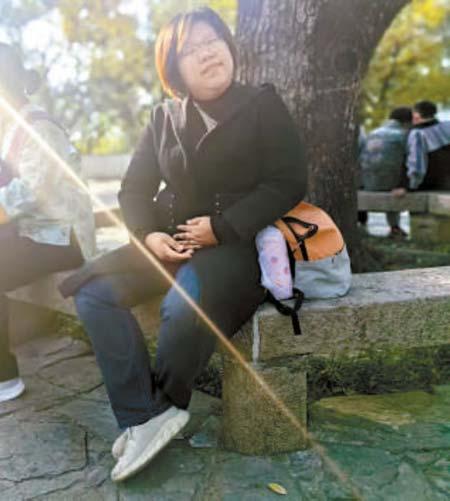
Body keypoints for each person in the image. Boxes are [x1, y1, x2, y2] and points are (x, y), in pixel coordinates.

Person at [60, 7, 307, 483]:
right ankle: (143, 416)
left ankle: (163, 406)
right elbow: (133, 190)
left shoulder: (262, 104)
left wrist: (222, 227)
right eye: (192, 49)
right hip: (169, 242)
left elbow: (288, 181)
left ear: (228, 46)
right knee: (92, 291)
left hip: (236, 247)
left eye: (212, 40)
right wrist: (149, 236)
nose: (207, 53)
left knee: (183, 302)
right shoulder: (163, 117)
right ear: (174, 68)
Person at [0, 43, 95, 403]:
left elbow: (25, 194)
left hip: (63, 237)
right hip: (32, 232)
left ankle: (4, 378)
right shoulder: (10, 127)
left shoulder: (39, 127)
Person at [359, 107, 412, 238]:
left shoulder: (373, 133)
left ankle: (391, 227)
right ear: (407, 122)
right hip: (392, 186)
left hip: (367, 183)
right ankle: (395, 227)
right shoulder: (404, 135)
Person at [403, 101, 450, 191]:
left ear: (416, 115)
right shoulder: (447, 126)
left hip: (431, 183)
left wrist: (412, 186)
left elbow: (417, 163)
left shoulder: (418, 134)